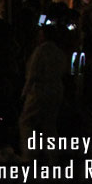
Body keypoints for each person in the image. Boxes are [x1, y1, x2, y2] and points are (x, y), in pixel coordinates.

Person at [18, 22, 70, 162]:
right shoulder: (59, 52)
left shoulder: (40, 51)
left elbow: (32, 74)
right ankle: (53, 157)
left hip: (39, 91)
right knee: (49, 125)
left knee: (26, 122)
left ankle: (29, 155)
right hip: (56, 90)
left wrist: (24, 94)